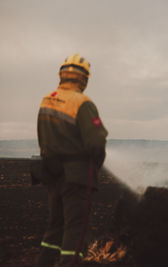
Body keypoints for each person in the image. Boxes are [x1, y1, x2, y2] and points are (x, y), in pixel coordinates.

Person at [35, 54, 108, 267]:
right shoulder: (82, 103)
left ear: (62, 74)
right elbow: (96, 143)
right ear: (84, 78)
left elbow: (42, 136)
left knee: (55, 227)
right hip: (76, 178)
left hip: (52, 172)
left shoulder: (47, 98)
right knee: (76, 230)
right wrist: (96, 166)